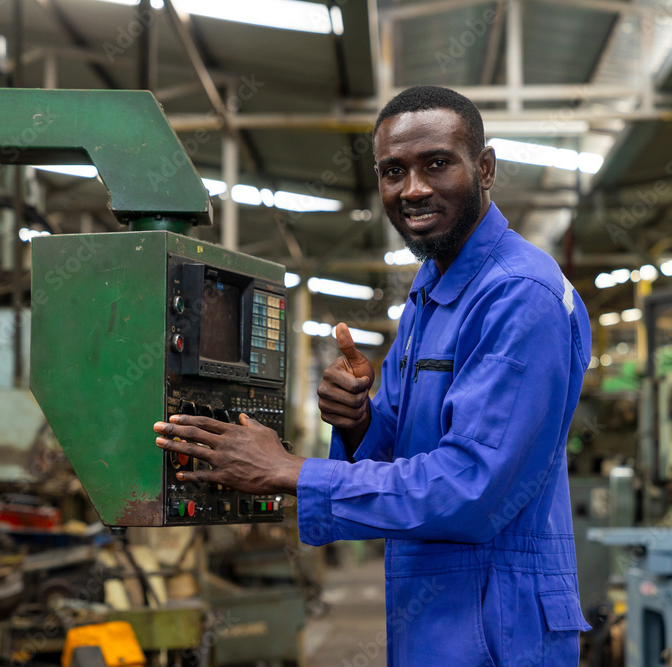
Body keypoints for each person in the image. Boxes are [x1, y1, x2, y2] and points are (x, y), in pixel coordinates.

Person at [154, 85, 592, 665]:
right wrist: (360, 420)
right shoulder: (430, 288)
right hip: (438, 612)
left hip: (497, 621)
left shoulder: (517, 295)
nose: (412, 189)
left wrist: (292, 472)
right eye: (393, 171)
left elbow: (472, 487)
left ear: (485, 168)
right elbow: (404, 454)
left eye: (437, 163)